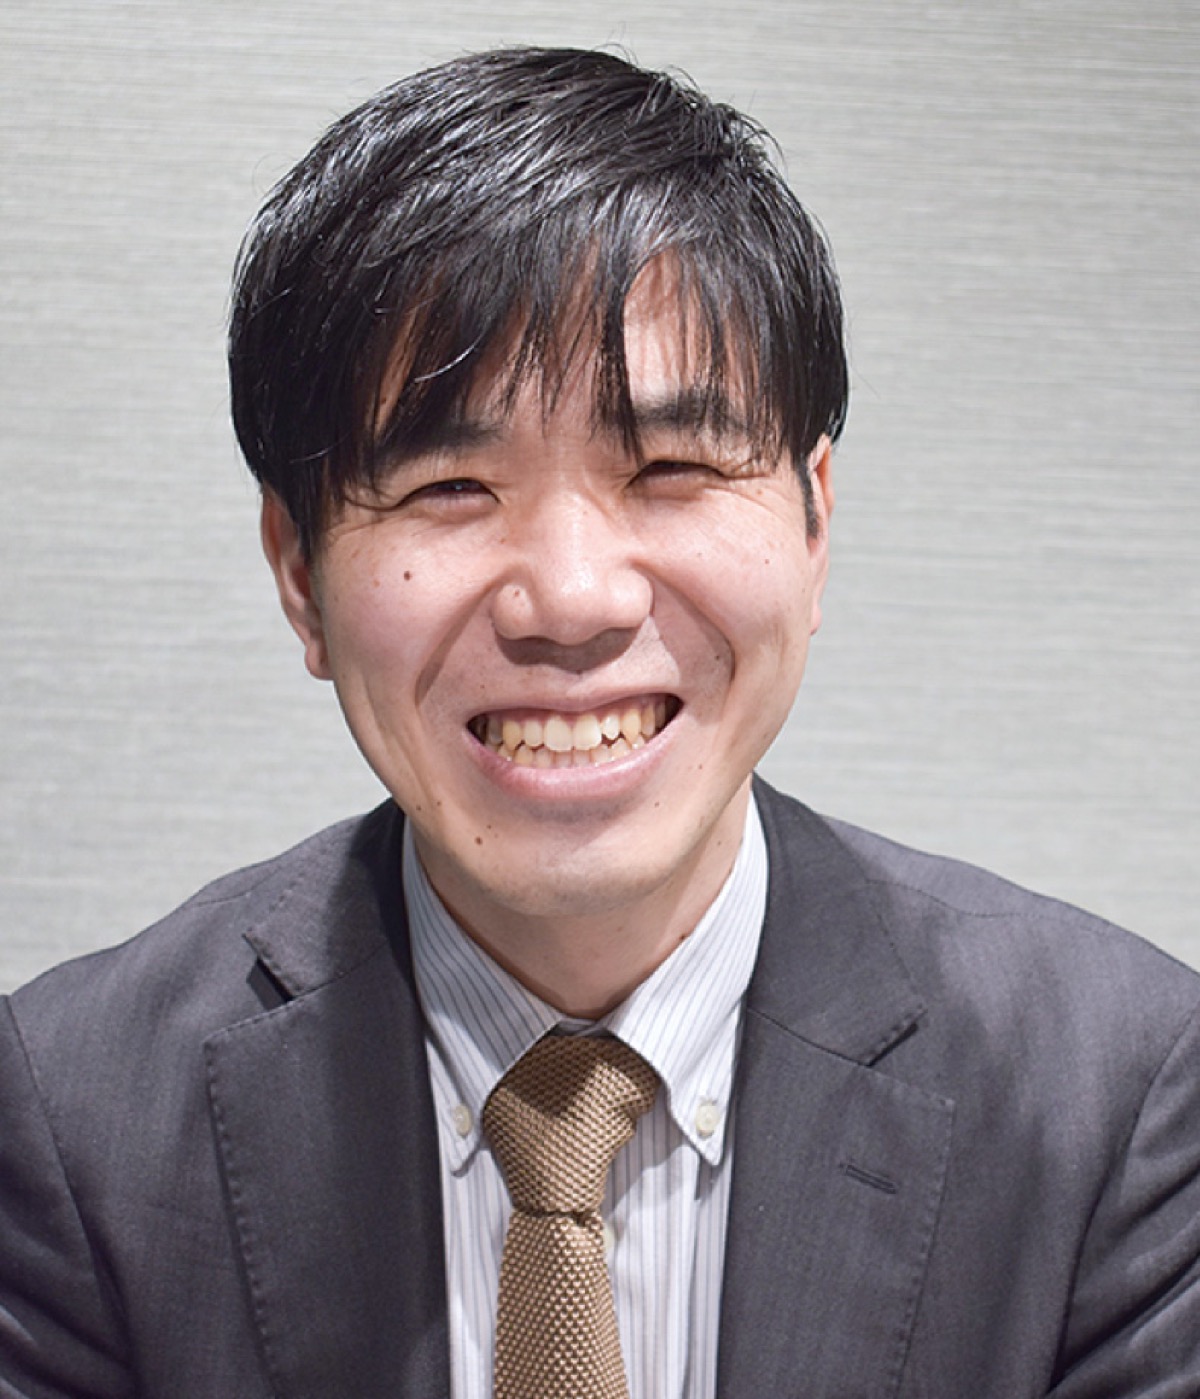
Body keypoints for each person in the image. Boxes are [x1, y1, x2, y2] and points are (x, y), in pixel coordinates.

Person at [1, 45, 1198, 1399]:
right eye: (449, 486)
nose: (571, 600)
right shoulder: (71, 1123)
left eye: (672, 468)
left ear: (815, 527)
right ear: (299, 574)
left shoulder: (1119, 1103)